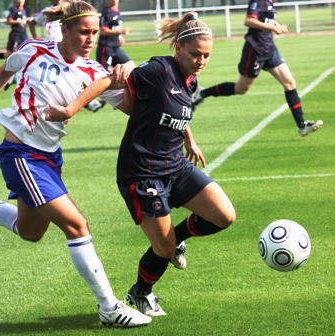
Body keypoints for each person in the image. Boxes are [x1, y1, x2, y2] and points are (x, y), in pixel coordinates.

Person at [0, 0, 151, 327]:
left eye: (95, 33)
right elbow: (6, 70)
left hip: (50, 156)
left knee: (29, 231)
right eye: (84, 32)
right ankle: (109, 307)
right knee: (77, 226)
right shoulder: (33, 49)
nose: (90, 39)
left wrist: (123, 79)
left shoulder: (93, 72)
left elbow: (129, 107)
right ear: (64, 29)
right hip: (21, 154)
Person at [45, 12, 236, 317]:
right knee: (163, 249)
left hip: (175, 166)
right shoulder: (159, 69)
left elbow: (173, 108)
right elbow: (109, 79)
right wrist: (69, 109)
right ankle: (140, 293)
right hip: (143, 172)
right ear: (178, 49)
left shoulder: (190, 78)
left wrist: (190, 139)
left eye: (207, 55)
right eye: (196, 54)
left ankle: (176, 241)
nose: (201, 60)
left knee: (224, 215)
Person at [191, 0, 323, 137]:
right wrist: (272, 28)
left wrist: (276, 25)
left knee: (289, 83)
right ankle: (203, 93)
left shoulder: (268, 2)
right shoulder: (258, 1)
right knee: (241, 89)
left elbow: (266, 19)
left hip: (269, 48)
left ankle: (302, 126)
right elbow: (249, 21)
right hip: (256, 49)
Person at [28, 0, 106, 112]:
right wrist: (35, 37)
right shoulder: (46, 11)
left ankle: (89, 103)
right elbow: (32, 23)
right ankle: (90, 103)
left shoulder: (72, 11)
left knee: (77, 77)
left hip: (72, 47)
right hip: (54, 51)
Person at [96, 0, 133, 72]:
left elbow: (113, 27)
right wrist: (120, 31)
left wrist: (118, 36)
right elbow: (103, 31)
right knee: (103, 73)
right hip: (106, 47)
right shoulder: (107, 12)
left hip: (115, 47)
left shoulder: (117, 10)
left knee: (130, 66)